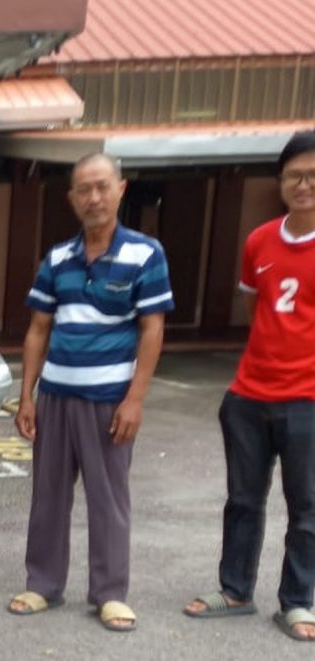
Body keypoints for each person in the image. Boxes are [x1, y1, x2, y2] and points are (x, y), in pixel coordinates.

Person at [8, 153, 173, 633]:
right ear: (72, 199)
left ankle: (109, 593)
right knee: (48, 496)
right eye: (84, 189)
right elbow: (38, 329)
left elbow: (152, 330)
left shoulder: (145, 254)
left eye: (102, 186)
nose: (94, 197)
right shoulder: (58, 258)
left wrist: (135, 399)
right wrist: (26, 396)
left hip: (109, 400)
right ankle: (43, 583)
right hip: (56, 397)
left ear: (121, 189)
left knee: (108, 499)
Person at [182, 131, 315, 642]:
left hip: (306, 399)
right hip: (249, 394)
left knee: (306, 507)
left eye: (312, 176)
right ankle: (235, 590)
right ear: (280, 181)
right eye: (294, 176)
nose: (303, 185)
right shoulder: (259, 240)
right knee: (242, 499)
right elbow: (254, 306)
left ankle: (297, 602)